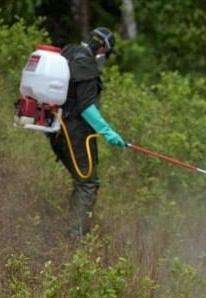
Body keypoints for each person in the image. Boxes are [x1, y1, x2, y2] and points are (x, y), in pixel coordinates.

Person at [49, 27, 126, 239]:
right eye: (107, 54)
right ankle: (76, 240)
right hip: (72, 131)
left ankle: (74, 232)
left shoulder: (70, 51)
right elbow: (86, 107)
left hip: (57, 128)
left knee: (81, 181)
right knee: (88, 183)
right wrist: (108, 132)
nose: (105, 58)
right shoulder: (87, 64)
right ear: (102, 48)